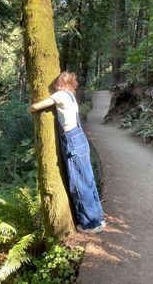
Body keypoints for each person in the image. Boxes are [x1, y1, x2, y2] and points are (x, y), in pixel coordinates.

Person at [28, 71, 105, 233]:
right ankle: (98, 219)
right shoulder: (71, 96)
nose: (56, 86)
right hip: (80, 137)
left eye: (58, 83)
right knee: (87, 178)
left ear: (64, 84)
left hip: (72, 139)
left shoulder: (61, 95)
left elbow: (36, 106)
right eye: (56, 83)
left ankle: (90, 224)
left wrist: (30, 108)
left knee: (78, 183)